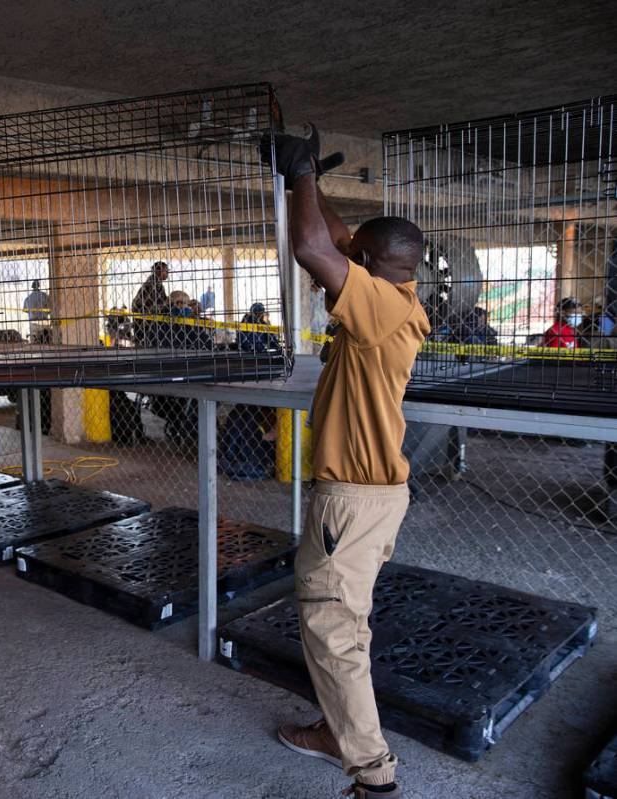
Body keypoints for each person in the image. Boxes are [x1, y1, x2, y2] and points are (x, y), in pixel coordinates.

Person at [266, 129, 430, 799]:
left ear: (364, 260)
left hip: (353, 499)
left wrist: (301, 170)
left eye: (353, 253)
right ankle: (338, 731)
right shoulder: (394, 289)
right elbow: (333, 238)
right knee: (343, 619)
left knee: (332, 631)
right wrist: (302, 181)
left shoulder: (377, 308)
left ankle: (373, 775)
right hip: (373, 496)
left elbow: (310, 246)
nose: (343, 254)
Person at [131, 261, 170, 347]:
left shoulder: (158, 284)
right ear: (159, 271)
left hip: (145, 317)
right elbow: (150, 303)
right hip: (144, 317)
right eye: (166, 271)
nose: (168, 273)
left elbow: (163, 301)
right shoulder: (152, 284)